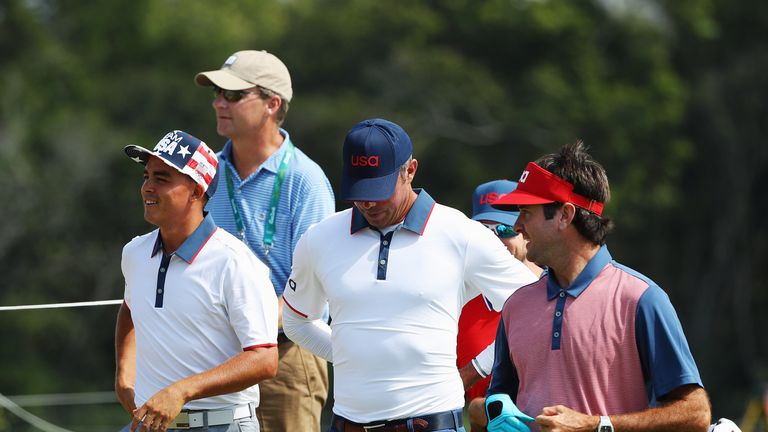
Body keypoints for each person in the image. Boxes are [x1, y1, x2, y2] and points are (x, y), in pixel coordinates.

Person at [281, 118, 539, 432]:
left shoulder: (460, 233)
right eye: (359, 190)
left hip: (432, 421)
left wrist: (475, 368)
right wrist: (352, 353)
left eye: (379, 189)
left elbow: (535, 308)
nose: (368, 202)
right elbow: (297, 321)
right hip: (346, 423)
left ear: (410, 170)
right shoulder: (319, 238)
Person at [482, 141, 711, 432]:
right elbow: (500, 400)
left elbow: (695, 414)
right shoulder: (516, 305)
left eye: (527, 212)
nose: (517, 225)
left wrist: (596, 425)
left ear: (565, 215)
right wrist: (495, 415)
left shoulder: (641, 299)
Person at [194, 50, 334, 432]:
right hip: (215, 357)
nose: (219, 102)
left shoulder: (306, 180)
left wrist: (245, 323)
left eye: (234, 95)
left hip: (288, 357)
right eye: (218, 93)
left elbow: (311, 295)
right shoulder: (205, 176)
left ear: (273, 104)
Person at [114, 130, 279, 432]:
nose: (147, 188)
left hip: (222, 425)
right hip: (149, 425)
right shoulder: (134, 253)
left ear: (196, 191)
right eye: (146, 177)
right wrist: (124, 377)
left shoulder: (235, 262)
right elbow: (129, 310)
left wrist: (182, 390)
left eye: (161, 179)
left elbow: (264, 359)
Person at [459, 180, 543, 432]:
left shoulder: (560, 293)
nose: (494, 241)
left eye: (505, 230)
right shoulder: (456, 301)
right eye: (484, 231)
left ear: (526, 229)